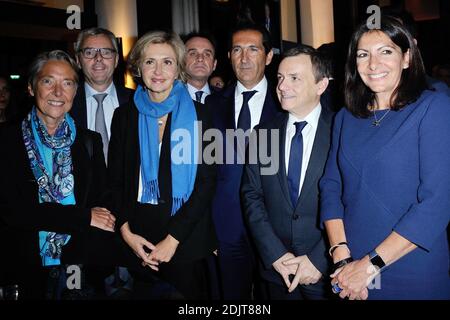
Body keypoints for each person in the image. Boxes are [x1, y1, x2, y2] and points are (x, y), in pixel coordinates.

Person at [320, 16, 450, 300]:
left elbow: (437, 203)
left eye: (386, 51)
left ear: (406, 58)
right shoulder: (344, 118)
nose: (373, 64)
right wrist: (341, 254)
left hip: (411, 268)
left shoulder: (434, 107)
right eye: (363, 55)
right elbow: (331, 186)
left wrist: (369, 265)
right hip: (350, 269)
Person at [108, 30, 217, 299]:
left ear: (178, 68)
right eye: (149, 62)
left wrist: (173, 240)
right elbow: (115, 181)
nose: (158, 70)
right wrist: (126, 233)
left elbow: (207, 182)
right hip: (136, 240)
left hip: (186, 240)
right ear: (137, 67)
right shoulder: (124, 116)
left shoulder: (202, 115)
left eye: (167, 62)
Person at [0, 50, 116, 299]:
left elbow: (102, 199)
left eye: (68, 83)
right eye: (48, 81)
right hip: (25, 270)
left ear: (76, 91)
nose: (58, 92)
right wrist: (83, 216)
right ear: (31, 88)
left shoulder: (89, 141)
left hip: (80, 269)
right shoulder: (6, 142)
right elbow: (13, 211)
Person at [241, 45, 333, 300]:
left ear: (321, 85)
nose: (281, 86)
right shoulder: (263, 134)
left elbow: (352, 204)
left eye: (294, 78)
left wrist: (318, 260)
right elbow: (252, 196)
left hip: (325, 272)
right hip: (276, 271)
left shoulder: (342, 131)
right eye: (280, 78)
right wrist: (275, 254)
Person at [207, 23, 279, 299]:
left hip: (276, 229)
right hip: (225, 228)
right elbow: (204, 172)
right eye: (237, 50)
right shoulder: (211, 107)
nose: (245, 58)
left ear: (269, 56)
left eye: (253, 49)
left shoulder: (287, 102)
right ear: (229, 56)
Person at [71, 27, 134, 160]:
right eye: (89, 52)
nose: (98, 58)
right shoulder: (66, 104)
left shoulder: (137, 100)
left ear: (116, 59)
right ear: (78, 60)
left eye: (106, 52)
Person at [183, 31, 217, 104]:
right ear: (182, 61)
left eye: (207, 54)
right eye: (193, 53)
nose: (200, 58)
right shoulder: (168, 98)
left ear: (214, 64)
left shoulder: (228, 100)